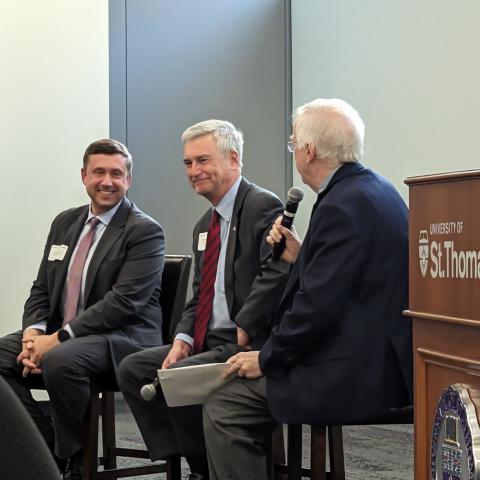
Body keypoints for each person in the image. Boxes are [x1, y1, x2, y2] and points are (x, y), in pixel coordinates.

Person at [202, 98, 413, 480]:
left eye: (293, 142)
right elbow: (347, 283)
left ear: (309, 151)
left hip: (354, 371)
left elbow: (316, 308)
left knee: (224, 404)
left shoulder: (340, 206)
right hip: (378, 357)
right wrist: (300, 257)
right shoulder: (374, 190)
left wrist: (266, 357)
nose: (294, 149)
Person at [117, 119, 290, 480]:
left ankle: (204, 466)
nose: (194, 171)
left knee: (177, 380)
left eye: (203, 161)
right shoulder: (203, 226)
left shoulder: (261, 205)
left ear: (233, 159)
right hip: (207, 341)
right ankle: (194, 461)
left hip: (244, 343)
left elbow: (277, 271)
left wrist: (247, 323)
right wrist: (182, 339)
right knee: (135, 369)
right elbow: (200, 293)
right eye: (188, 163)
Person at [0, 139, 165, 480]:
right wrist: (34, 335)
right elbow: (42, 288)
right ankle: (43, 447)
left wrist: (58, 338)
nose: (107, 180)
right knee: (2, 355)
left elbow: (124, 303)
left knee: (62, 360)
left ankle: (72, 458)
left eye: (116, 173)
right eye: (99, 172)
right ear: (83, 176)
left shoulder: (144, 231)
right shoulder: (65, 223)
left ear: (128, 180)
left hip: (121, 338)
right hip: (68, 334)